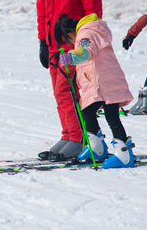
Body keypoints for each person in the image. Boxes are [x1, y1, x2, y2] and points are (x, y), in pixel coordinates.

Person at [30, 0, 103, 159]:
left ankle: (78, 138)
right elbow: (42, 11)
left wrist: (87, 41)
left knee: (69, 91)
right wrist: (43, 42)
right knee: (60, 93)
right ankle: (68, 133)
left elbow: (93, 9)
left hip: (73, 46)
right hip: (53, 46)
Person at [55, 13, 135, 169]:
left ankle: (124, 154)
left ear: (71, 34)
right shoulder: (93, 31)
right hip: (104, 83)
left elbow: (86, 50)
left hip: (105, 84)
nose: (72, 44)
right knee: (88, 111)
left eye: (69, 42)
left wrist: (72, 56)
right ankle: (97, 148)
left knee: (110, 116)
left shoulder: (85, 34)